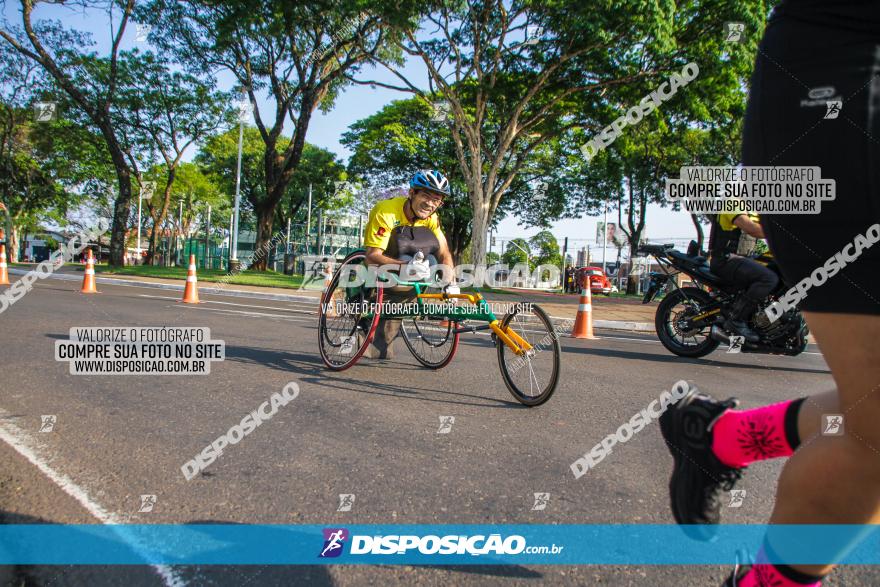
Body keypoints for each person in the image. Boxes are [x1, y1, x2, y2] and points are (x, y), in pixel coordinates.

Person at [662, 2, 880, 586]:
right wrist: (767, 231)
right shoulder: (736, 191)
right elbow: (748, 224)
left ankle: (716, 437)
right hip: (845, 77)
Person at [361, 170, 456, 359]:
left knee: (433, 260)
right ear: (412, 193)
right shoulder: (386, 211)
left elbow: (444, 252)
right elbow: (372, 256)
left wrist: (450, 283)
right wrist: (406, 268)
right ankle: (368, 312)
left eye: (436, 200)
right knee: (406, 260)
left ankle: (399, 307)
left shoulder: (431, 218)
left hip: (408, 263)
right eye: (425, 195)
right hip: (383, 263)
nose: (430, 204)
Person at [707, 210, 778, 342]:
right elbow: (752, 229)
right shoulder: (732, 202)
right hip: (726, 260)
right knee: (769, 279)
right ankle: (736, 319)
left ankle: (764, 322)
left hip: (745, 260)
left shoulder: (756, 210)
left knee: (776, 269)